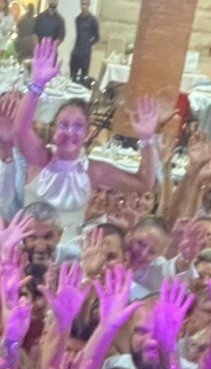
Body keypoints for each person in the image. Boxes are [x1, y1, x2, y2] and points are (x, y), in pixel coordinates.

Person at [16, 40, 159, 240]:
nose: (70, 132)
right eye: (63, 125)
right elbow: (20, 129)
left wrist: (146, 140)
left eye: (77, 126)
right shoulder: (40, 159)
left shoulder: (94, 170)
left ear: (87, 133)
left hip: (68, 254)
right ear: (54, 131)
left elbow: (144, 182)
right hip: (29, 246)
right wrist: (36, 85)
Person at [71, 0, 101, 83]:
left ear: (89, 5)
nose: (83, 6)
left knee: (83, 78)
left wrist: (88, 44)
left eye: (85, 4)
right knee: (72, 76)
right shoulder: (78, 19)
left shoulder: (93, 20)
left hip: (85, 53)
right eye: (82, 4)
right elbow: (78, 35)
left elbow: (97, 37)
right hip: (76, 51)